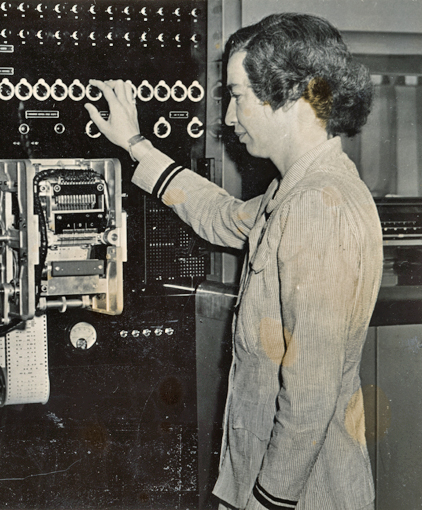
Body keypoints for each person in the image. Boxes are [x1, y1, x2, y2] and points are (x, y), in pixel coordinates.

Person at [85, 13, 380, 510]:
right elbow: (223, 218)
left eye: (238, 96)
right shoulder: (292, 193)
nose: (227, 118)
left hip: (298, 496)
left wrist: (265, 502)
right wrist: (137, 146)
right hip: (272, 486)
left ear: (288, 95)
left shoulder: (316, 206)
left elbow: (308, 397)